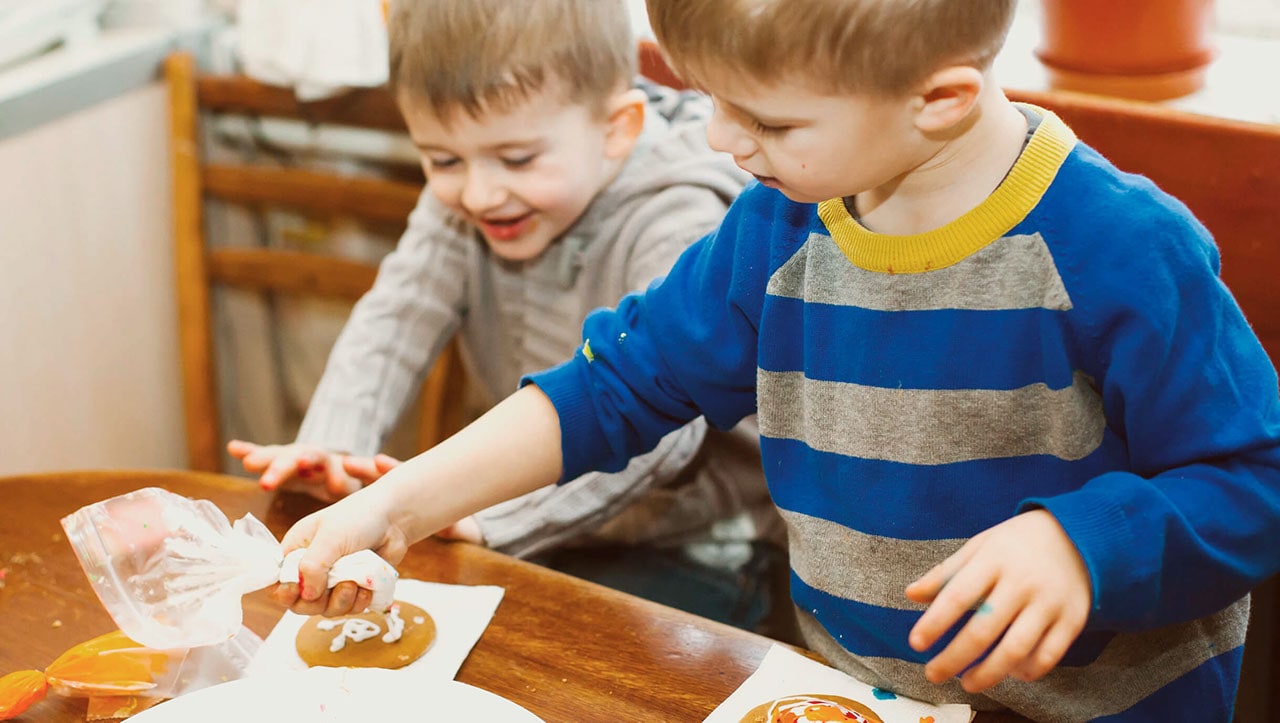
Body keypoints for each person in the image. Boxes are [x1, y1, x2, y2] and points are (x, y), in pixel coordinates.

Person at [272, 0, 1280, 719]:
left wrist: (1083, 546)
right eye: (709, 100)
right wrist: (392, 505)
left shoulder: (1122, 248)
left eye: (767, 121)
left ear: (938, 97)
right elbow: (616, 386)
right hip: (859, 693)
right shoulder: (779, 224)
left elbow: (1255, 479)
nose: (718, 140)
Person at [229, 0, 787, 632]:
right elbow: (394, 318)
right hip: (519, 518)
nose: (479, 193)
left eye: (517, 160)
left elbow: (657, 430)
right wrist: (331, 443)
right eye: (442, 160)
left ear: (616, 129)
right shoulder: (470, 196)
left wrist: (491, 520)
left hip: (696, 546)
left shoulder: (678, 215)